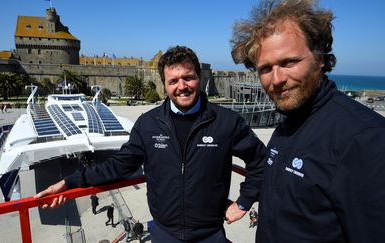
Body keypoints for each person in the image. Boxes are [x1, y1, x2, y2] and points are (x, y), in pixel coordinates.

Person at [35, 46, 267, 242]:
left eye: (188, 77)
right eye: (173, 81)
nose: (182, 86)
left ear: (199, 77)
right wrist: (70, 181)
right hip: (164, 233)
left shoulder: (226, 122)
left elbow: (261, 161)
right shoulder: (148, 124)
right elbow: (118, 166)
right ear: (165, 85)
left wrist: (244, 202)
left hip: (210, 233)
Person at [230, 0, 385, 242]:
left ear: (320, 58)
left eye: (289, 62)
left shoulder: (365, 139)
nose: (277, 79)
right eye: (265, 68)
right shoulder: (285, 128)